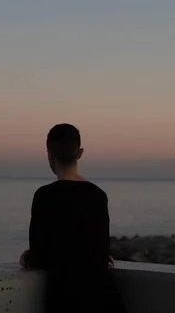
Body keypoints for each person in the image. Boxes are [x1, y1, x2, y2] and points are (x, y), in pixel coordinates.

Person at [19, 123, 125, 313]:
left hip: (65, 300)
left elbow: (40, 254)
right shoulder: (98, 195)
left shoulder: (44, 196)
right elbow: (101, 252)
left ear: (49, 154)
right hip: (105, 299)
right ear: (80, 153)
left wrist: (30, 256)